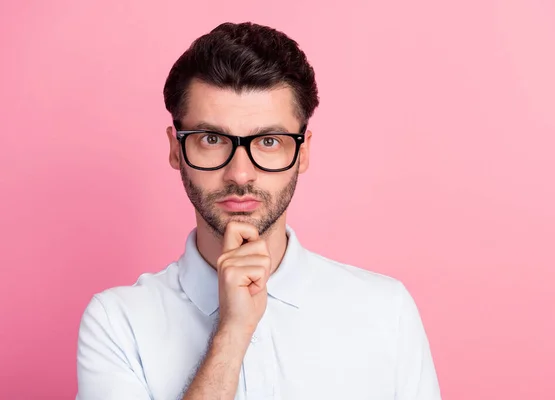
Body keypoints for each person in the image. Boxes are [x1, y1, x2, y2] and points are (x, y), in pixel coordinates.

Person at [76, 21, 442, 400]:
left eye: (268, 141)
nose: (240, 174)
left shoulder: (385, 311)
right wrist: (232, 334)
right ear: (175, 148)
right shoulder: (118, 323)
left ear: (302, 153)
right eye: (211, 139)